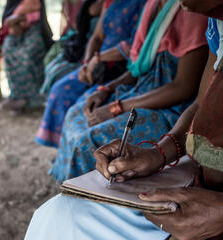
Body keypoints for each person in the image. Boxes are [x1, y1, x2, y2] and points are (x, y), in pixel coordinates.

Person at [24, 3, 223, 240]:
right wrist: (157, 154)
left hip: (213, 204)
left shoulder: (197, 16)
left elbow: (183, 87)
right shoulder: (216, 22)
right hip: (201, 179)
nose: (181, 5)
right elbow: (201, 105)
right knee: (56, 215)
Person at [50, 0, 209, 182]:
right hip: (137, 91)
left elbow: (183, 87)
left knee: (89, 140)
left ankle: (94, 196)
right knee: (74, 113)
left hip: (167, 107)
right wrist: (106, 89)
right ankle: (70, 188)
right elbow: (136, 68)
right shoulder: (152, 5)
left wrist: (117, 107)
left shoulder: (194, 13)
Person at [35, 0, 147, 148]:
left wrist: (99, 58)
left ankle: (72, 151)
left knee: (84, 108)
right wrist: (87, 64)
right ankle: (62, 149)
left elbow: (134, 47)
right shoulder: (111, 2)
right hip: (97, 61)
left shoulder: (146, 4)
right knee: (60, 90)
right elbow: (97, 37)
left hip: (124, 67)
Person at [0, 0, 53, 112]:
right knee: (8, 49)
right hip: (15, 32)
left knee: (27, 54)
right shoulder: (12, 2)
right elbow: (6, 19)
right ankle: (17, 96)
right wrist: (15, 21)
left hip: (34, 30)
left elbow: (38, 16)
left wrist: (21, 19)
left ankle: (35, 100)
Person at [40, 0, 103, 96]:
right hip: (83, 47)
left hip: (100, 53)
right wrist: (86, 62)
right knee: (52, 64)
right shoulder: (90, 4)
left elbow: (97, 39)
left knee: (60, 77)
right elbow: (94, 37)